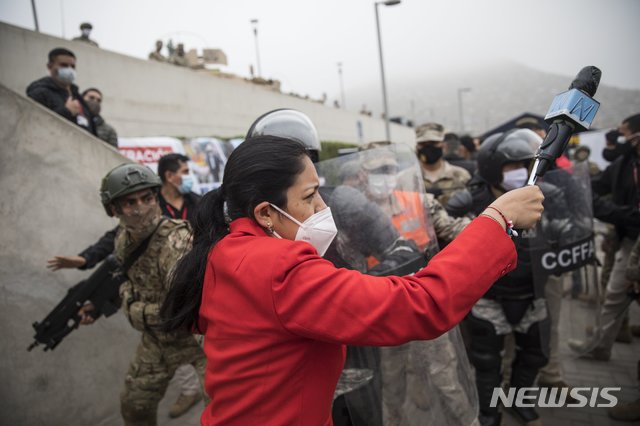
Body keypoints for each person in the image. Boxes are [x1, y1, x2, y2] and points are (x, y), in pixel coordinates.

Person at [160, 129, 544, 425]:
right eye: (310, 196)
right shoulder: (276, 268)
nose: (322, 206)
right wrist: (496, 221)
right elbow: (418, 306)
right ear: (265, 213)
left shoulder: (227, 250)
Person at [47, 156, 204, 419]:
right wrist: (96, 308)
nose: (140, 208)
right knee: (134, 407)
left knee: (227, 412)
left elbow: (186, 305)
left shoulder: (175, 242)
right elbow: (129, 278)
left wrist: (135, 308)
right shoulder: (123, 238)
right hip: (156, 343)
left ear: (156, 198)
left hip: (197, 342)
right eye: (130, 202)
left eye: (147, 199)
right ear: (114, 210)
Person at [447, 129, 556, 426]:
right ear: (494, 169)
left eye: (526, 165)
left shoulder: (544, 197)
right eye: (513, 166)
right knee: (486, 361)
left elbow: (566, 231)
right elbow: (449, 241)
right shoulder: (467, 201)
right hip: (489, 296)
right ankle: (488, 412)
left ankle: (518, 401)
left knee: (534, 354)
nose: (521, 173)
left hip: (532, 294)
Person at [570, 113, 640, 360]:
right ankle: (600, 345)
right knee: (614, 294)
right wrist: (575, 187)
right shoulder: (624, 163)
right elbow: (597, 185)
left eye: (622, 135)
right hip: (630, 240)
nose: (617, 141)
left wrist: (608, 210)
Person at [26, 47, 96, 136]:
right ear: (50, 67)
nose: (70, 70)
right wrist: (66, 112)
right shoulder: (40, 93)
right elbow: (34, 125)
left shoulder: (78, 97)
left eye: (73, 66)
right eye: (64, 65)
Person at [414, 122, 471, 206]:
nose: (428, 148)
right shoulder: (408, 179)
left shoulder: (461, 175)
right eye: (423, 144)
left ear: (443, 145)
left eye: (433, 143)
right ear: (417, 147)